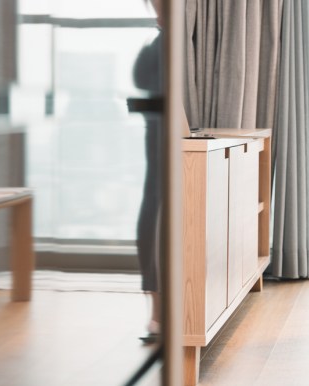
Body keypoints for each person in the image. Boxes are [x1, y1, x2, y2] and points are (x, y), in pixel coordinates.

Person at [133, 0, 164, 337]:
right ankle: (156, 310)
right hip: (155, 136)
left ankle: (161, 311)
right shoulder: (160, 38)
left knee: (155, 220)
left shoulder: (172, 39)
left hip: (163, 137)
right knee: (150, 220)